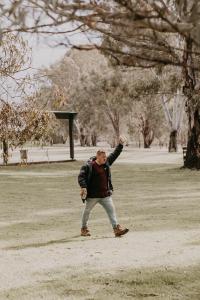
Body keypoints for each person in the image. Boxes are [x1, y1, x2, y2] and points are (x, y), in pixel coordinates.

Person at [78, 136, 129, 237]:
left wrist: (120, 145)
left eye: (105, 157)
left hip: (105, 195)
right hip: (93, 196)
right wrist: (83, 187)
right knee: (87, 212)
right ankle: (84, 228)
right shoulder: (89, 166)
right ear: (97, 157)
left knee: (112, 211)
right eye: (103, 157)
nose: (105, 159)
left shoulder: (106, 163)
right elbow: (81, 177)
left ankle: (116, 229)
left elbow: (115, 154)